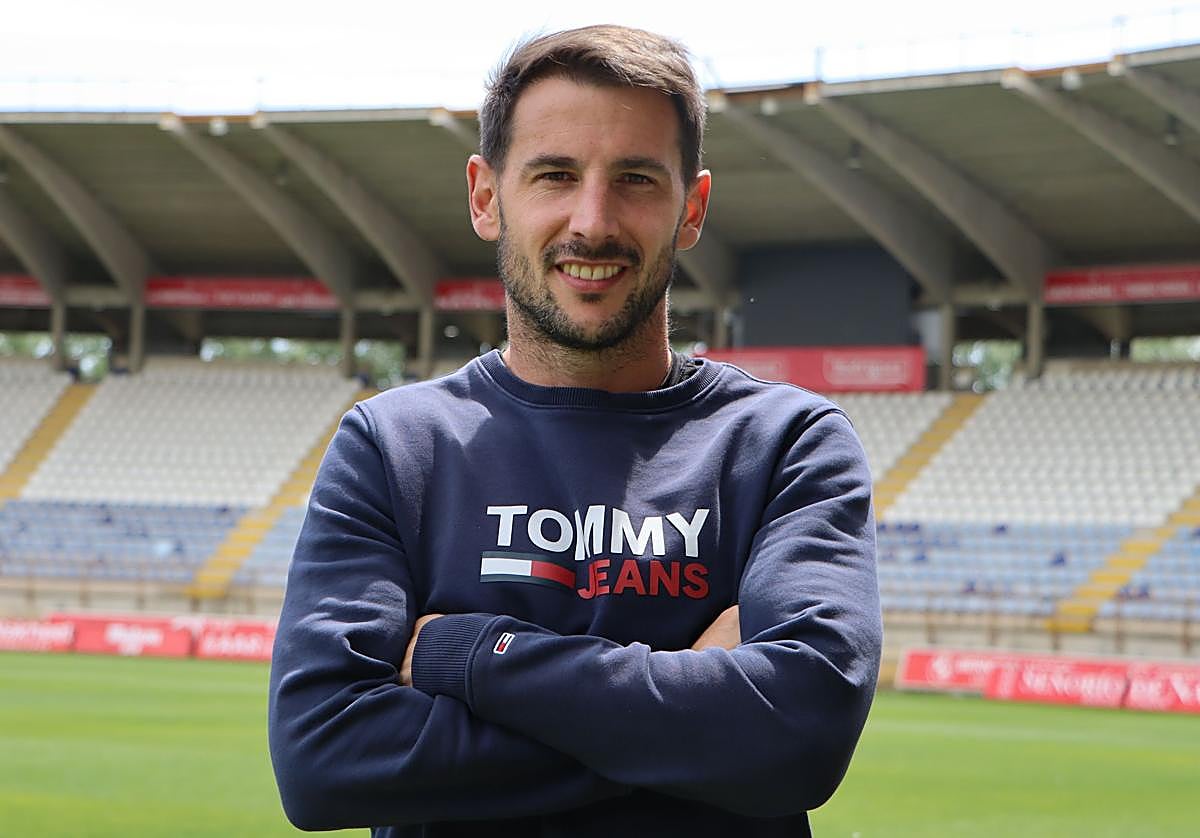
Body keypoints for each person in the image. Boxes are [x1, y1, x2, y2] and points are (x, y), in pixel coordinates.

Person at [268, 24, 881, 838]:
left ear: (691, 208)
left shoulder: (787, 443)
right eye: (555, 175)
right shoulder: (394, 447)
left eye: (635, 179)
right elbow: (324, 759)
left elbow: (796, 737)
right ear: (487, 197)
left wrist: (473, 654)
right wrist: (693, 702)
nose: (592, 221)